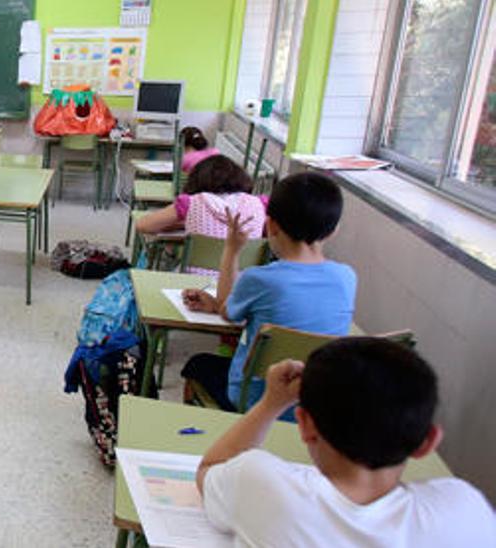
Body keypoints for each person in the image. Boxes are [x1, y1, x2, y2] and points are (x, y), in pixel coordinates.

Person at [198, 338, 496, 545]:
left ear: (305, 425)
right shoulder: (466, 509)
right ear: (428, 442)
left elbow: (211, 469)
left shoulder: (260, 482)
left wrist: (271, 404)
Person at [180, 173, 356, 411]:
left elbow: (226, 310)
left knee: (198, 364)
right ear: (333, 230)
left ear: (270, 225)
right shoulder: (347, 278)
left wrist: (232, 249)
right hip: (315, 402)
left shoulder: (259, 279)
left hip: (256, 402)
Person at [135, 155, 267, 277]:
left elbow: (143, 225)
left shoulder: (192, 202)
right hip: (242, 283)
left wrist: (183, 221)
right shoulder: (260, 204)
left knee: (166, 258)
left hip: (195, 282)